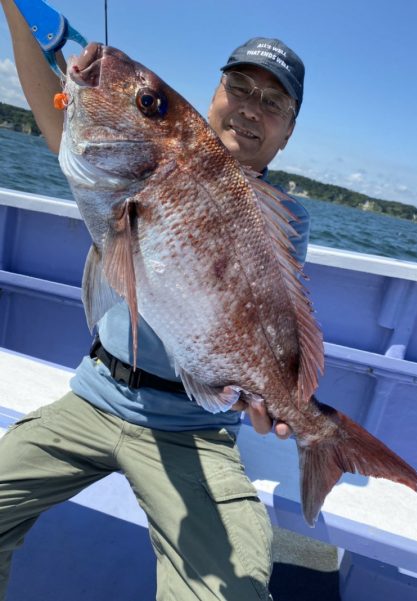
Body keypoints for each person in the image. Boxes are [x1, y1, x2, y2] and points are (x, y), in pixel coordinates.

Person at [0, 2, 310, 599]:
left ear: (289, 130)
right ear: (215, 93)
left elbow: (266, 325)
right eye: (239, 87)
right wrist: (17, 10)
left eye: (273, 103)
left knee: (231, 593)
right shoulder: (131, 169)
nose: (250, 107)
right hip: (93, 398)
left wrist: (277, 397)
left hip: (195, 427)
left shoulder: (285, 220)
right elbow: (57, 111)